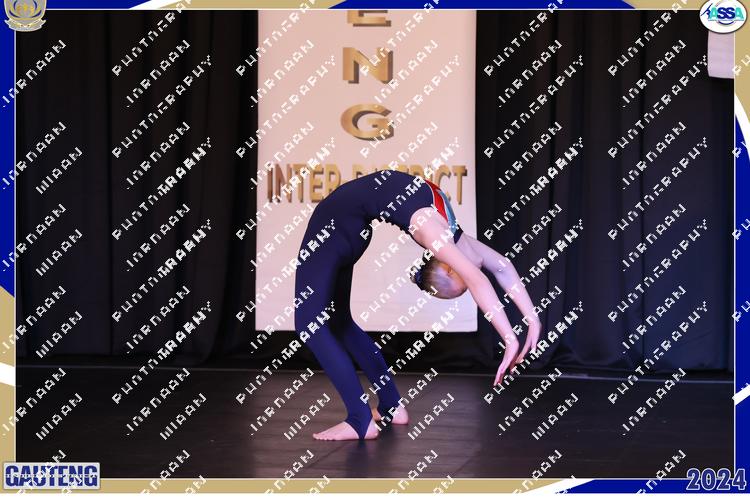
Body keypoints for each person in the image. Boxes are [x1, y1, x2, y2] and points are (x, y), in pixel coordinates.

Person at [293, 169, 541, 441]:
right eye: (464, 286)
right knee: (333, 324)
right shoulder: (434, 232)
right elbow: (480, 279)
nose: (469, 284)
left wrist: (533, 319)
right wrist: (509, 338)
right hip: (336, 225)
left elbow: (502, 267)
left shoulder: (452, 233)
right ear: (449, 268)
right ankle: (390, 407)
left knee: (312, 324)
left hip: (341, 226)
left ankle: (361, 420)